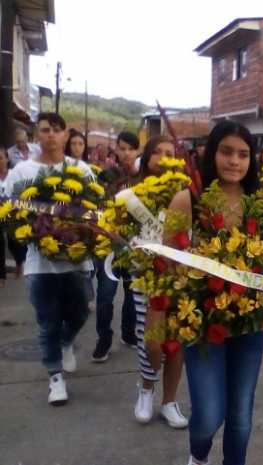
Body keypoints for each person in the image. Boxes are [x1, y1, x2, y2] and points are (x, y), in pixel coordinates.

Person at [166, 121, 263, 465]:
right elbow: (167, 262)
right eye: (227, 152)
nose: (235, 161)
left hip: (250, 326)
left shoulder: (261, 202)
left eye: (243, 154)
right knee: (207, 416)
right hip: (202, 326)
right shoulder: (188, 200)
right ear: (212, 153)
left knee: (241, 415)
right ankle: (198, 455)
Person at [4, 113, 93, 405]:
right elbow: (10, 213)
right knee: (47, 322)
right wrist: (32, 234)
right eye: (45, 130)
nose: (52, 135)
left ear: (66, 134)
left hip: (77, 261)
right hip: (39, 264)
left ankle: (68, 341)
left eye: (57, 130)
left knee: (80, 313)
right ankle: (55, 378)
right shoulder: (21, 172)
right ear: (36, 134)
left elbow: (97, 211)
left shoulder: (81, 170)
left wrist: (80, 231)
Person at [131, 135, 188, 428]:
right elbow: (121, 234)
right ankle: (146, 387)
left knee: (176, 341)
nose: (165, 159)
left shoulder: (187, 194)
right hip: (147, 278)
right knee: (151, 341)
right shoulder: (132, 195)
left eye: (171, 153)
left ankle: (169, 400)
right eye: (158, 153)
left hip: (180, 277)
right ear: (147, 158)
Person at [91, 131, 141, 363]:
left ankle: (128, 332)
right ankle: (104, 338)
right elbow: (98, 207)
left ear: (137, 151)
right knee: (105, 295)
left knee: (133, 294)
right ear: (116, 150)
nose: (127, 153)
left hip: (134, 245)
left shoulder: (145, 178)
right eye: (122, 148)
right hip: (109, 244)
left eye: (131, 148)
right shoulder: (105, 176)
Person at [0, 146, 26, 286]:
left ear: (7, 159)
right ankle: (1, 276)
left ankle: (19, 262)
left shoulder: (13, 174)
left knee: (14, 243)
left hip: (12, 212)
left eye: (1, 158)